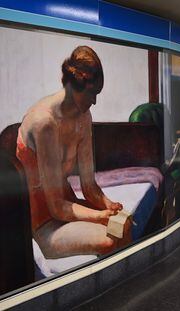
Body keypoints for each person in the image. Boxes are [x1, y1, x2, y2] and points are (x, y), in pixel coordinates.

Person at [17, 46, 131, 258]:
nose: (95, 101)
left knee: (124, 225)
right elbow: (56, 207)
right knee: (107, 241)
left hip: (66, 206)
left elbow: (89, 187)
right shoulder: (44, 122)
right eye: (92, 93)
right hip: (43, 220)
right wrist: (99, 217)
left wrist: (109, 205)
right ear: (75, 85)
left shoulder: (84, 118)